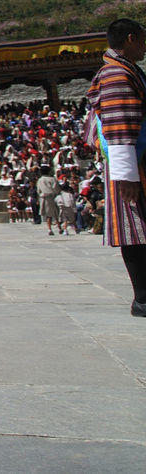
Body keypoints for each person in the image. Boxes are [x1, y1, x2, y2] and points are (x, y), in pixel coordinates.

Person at [84, 18, 146, 317]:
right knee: (135, 229)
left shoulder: (125, 70)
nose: (145, 47)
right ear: (131, 39)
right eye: (143, 41)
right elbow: (120, 126)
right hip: (131, 163)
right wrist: (126, 175)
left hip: (135, 160)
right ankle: (143, 297)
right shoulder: (116, 75)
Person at [36, 165, 60, 236]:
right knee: (56, 213)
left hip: (44, 197)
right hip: (53, 197)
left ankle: (49, 229)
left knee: (48, 215)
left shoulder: (40, 180)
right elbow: (56, 188)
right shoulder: (53, 179)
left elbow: (39, 190)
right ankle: (59, 227)